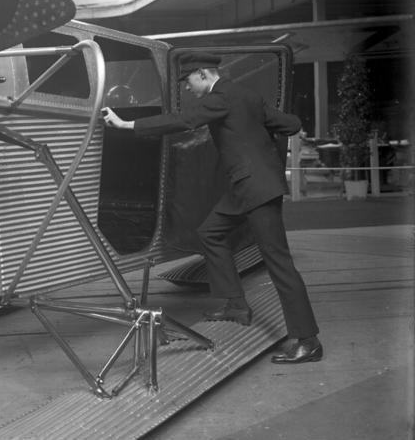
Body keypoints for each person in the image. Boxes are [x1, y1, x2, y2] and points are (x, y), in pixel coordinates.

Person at [101, 52, 322, 364]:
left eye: (189, 81)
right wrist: (257, 136)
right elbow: (290, 123)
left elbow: (183, 120)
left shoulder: (220, 98)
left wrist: (127, 123)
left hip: (256, 189)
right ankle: (236, 304)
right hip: (244, 187)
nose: (188, 88)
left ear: (203, 74)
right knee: (210, 233)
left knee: (279, 263)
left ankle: (308, 340)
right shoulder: (247, 96)